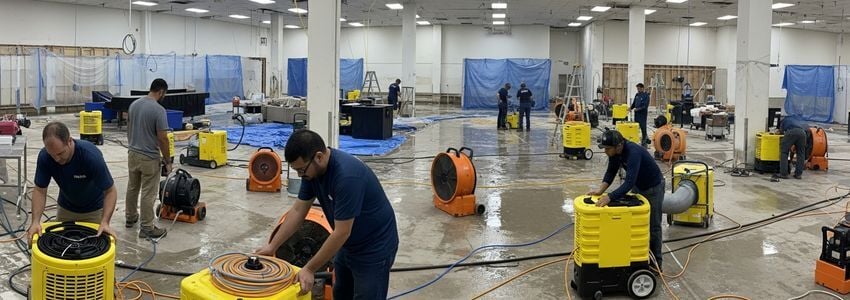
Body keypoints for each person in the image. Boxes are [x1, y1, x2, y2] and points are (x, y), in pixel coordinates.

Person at [255, 129, 399, 298]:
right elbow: (298, 210)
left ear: (319, 157)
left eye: (301, 170)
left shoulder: (347, 177)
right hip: (346, 245)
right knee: (341, 292)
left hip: (374, 247)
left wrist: (309, 269)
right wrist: (272, 246)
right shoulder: (312, 173)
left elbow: (342, 232)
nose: (300, 175)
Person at [26, 122, 117, 245]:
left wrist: (105, 222)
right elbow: (40, 190)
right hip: (66, 209)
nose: (57, 159)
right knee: (61, 246)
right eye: (52, 155)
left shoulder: (90, 156)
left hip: (94, 211)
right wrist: (35, 222)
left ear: (69, 141)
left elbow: (110, 191)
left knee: (92, 248)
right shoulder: (45, 157)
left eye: (60, 153)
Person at [588, 130, 665, 270]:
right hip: (639, 186)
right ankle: (638, 257)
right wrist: (600, 191)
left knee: (653, 226)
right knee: (637, 223)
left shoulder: (633, 152)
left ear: (618, 145)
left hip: (653, 187)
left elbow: (628, 183)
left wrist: (609, 197)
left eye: (607, 148)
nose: (605, 151)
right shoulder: (615, 153)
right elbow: (611, 171)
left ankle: (656, 264)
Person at [125, 78, 172, 239]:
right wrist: (168, 160)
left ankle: (130, 217)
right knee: (148, 193)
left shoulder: (134, 105)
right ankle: (146, 227)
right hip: (149, 157)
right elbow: (163, 138)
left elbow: (129, 128)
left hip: (132, 153)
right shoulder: (158, 110)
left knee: (133, 187)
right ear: (161, 92)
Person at [774, 115, 808, 180]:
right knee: (801, 154)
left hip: (791, 132)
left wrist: (777, 132)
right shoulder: (796, 120)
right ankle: (798, 175)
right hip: (803, 133)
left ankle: (783, 174)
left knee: (784, 152)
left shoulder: (783, 121)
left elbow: (780, 131)